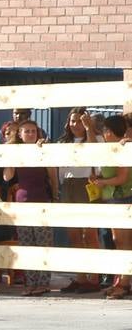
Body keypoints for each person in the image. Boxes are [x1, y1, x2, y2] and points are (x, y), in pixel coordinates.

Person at [2, 118, 58, 296]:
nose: (31, 134)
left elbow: (52, 175)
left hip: (42, 200)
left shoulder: (42, 150)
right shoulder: (16, 152)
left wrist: (56, 196)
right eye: (27, 131)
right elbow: (7, 177)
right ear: (20, 134)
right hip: (22, 202)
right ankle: (30, 282)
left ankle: (44, 283)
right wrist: (10, 158)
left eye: (33, 131)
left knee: (44, 243)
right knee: (27, 243)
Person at [53, 108, 101, 293]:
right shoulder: (64, 141)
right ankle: (80, 277)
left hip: (87, 184)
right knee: (73, 234)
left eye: (80, 121)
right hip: (68, 185)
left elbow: (93, 155)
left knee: (90, 234)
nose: (75, 125)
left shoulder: (96, 139)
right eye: (73, 121)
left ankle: (94, 278)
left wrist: (89, 129)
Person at [92, 114, 131, 299]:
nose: (105, 133)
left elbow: (122, 178)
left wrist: (102, 182)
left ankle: (124, 282)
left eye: (107, 130)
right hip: (115, 198)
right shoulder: (113, 148)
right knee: (119, 241)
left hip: (122, 197)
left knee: (123, 242)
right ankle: (120, 280)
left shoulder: (123, 148)